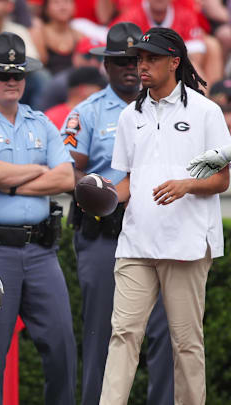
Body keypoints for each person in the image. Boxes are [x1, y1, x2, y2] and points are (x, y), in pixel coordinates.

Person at [100, 27, 230, 405]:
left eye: (151, 58)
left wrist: (187, 185)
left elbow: (221, 179)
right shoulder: (130, 115)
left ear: (175, 62)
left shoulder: (206, 112)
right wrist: (102, 197)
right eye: (140, 58)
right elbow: (128, 181)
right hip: (135, 243)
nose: (142, 65)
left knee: (186, 344)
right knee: (123, 334)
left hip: (187, 244)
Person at [62, 22, 174, 405]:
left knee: (166, 333)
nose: (130, 66)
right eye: (120, 60)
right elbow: (68, 168)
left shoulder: (171, 106)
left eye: (137, 58)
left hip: (158, 230)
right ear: (105, 66)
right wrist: (96, 193)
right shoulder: (88, 112)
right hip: (104, 232)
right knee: (101, 332)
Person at [0, 32, 76, 405]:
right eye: (2, 75)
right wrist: (37, 168)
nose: (11, 81)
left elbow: (66, 178)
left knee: (62, 347)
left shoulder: (41, 121)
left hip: (42, 252)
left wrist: (13, 183)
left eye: (17, 75)